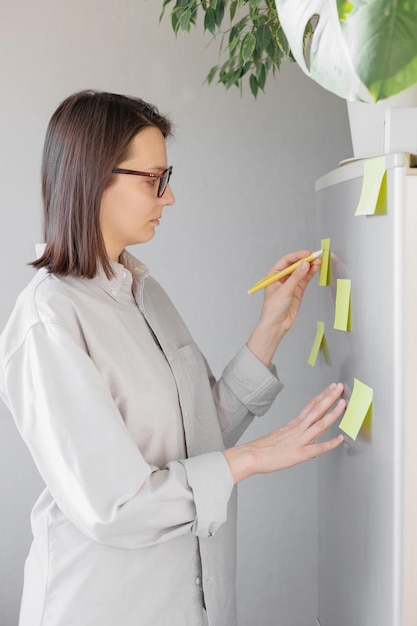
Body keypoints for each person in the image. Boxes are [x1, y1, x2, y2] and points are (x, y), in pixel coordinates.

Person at [0, 90, 345, 626]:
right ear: (94, 177)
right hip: (104, 606)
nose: (170, 197)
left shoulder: (144, 291)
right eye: (154, 179)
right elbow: (117, 508)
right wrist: (253, 458)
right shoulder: (50, 319)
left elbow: (200, 435)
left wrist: (271, 326)